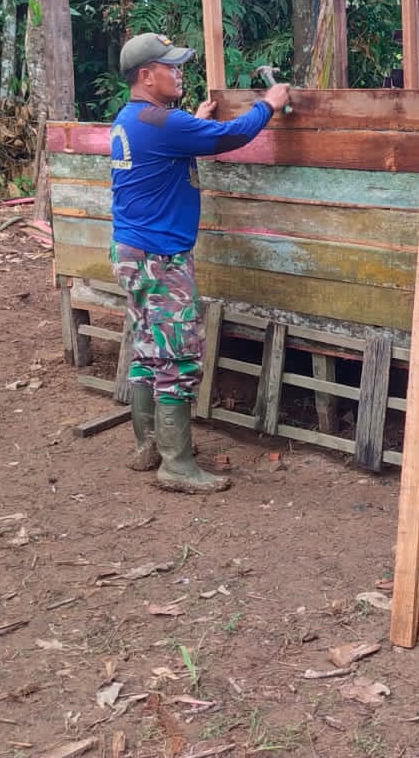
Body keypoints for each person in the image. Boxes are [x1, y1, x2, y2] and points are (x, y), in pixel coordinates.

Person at [109, 33, 291, 494]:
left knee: (149, 348)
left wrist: (193, 123)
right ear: (146, 76)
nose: (178, 73)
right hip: (160, 258)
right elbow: (233, 135)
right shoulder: (163, 123)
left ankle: (148, 446)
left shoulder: (133, 118)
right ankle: (177, 465)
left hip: (132, 252)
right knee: (179, 354)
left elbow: (167, 145)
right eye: (170, 67)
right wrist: (269, 104)